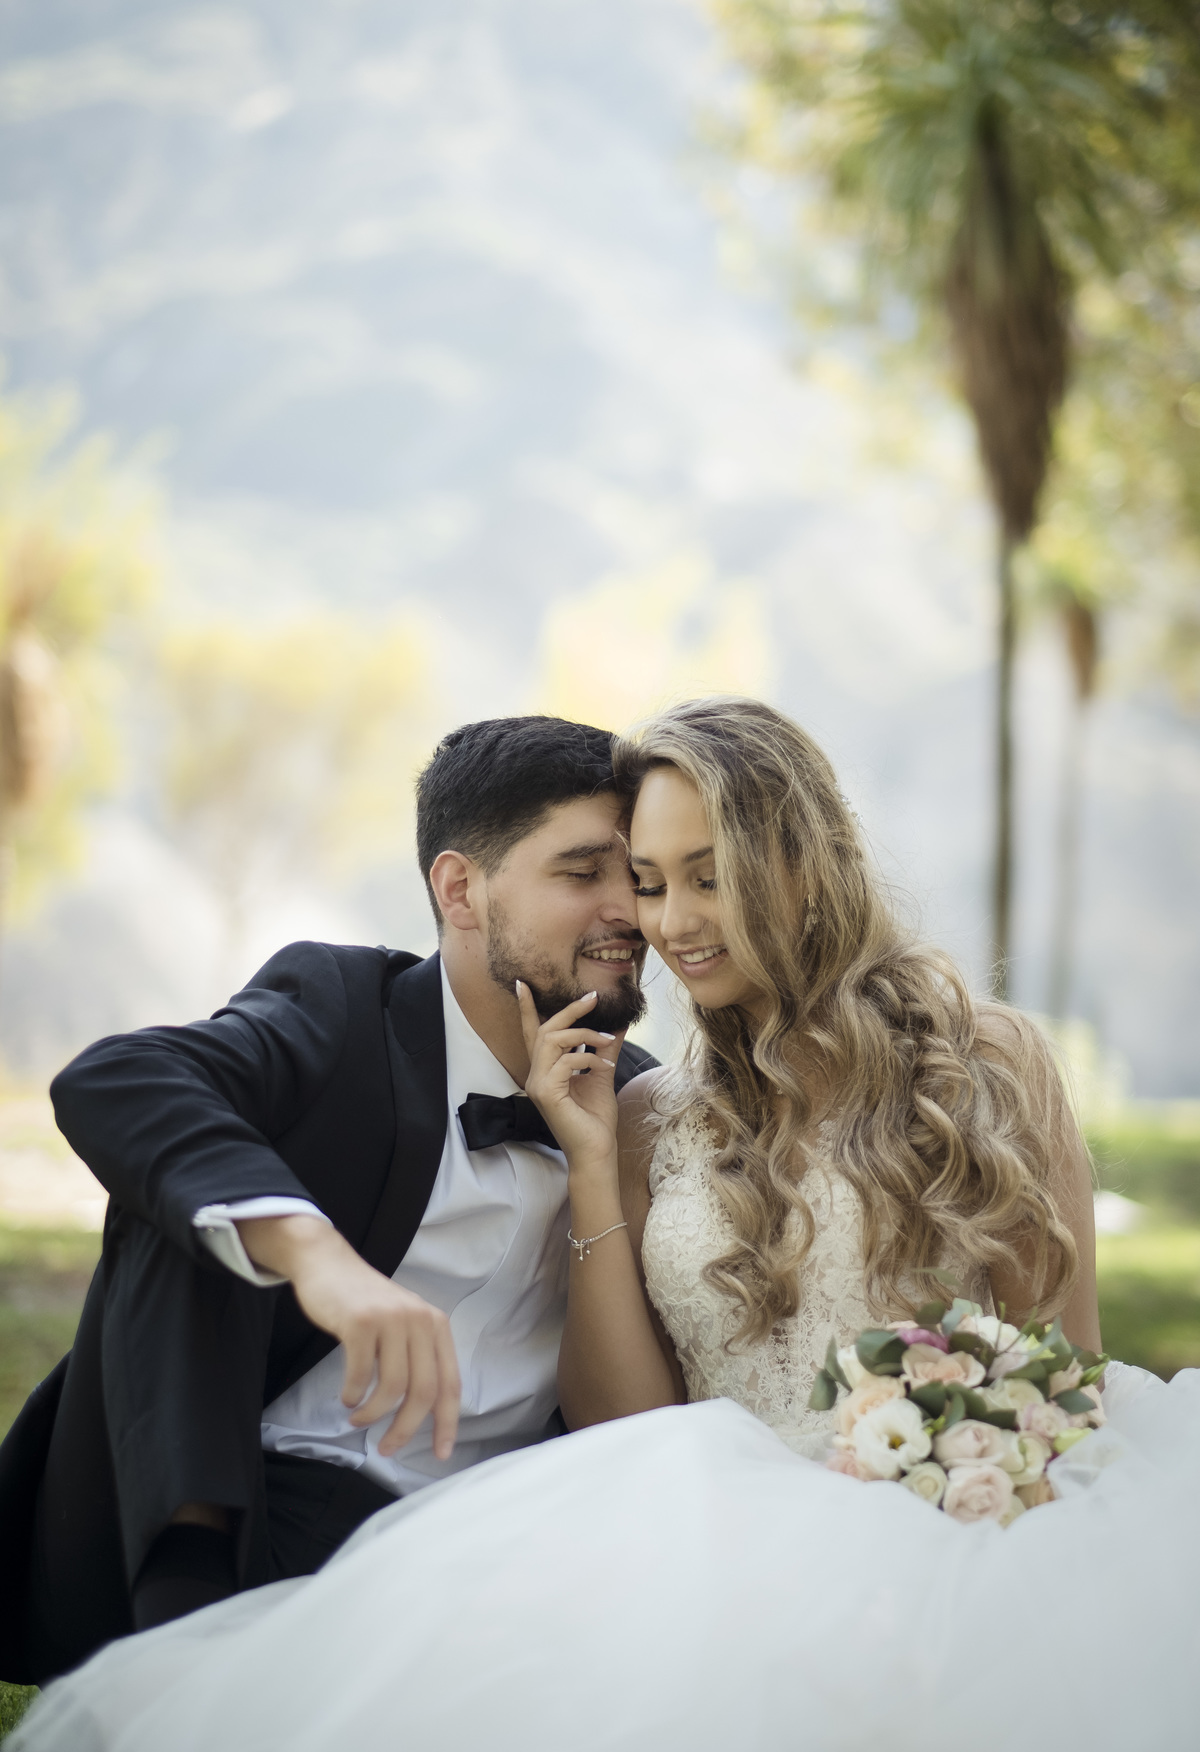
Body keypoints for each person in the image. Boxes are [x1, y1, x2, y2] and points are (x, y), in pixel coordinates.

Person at [10, 699, 1198, 1752]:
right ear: (461, 890)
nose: (659, 918)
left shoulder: (988, 1062)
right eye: (631, 873)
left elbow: (1068, 1357)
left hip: (955, 1515)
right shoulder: (624, 1106)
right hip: (608, 1532)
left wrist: (983, 1477)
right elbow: (631, 1431)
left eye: (701, 873)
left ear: (802, 862)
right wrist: (568, 1170)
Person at [0, 714, 657, 1687]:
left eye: (636, 876)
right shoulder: (345, 1006)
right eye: (581, 872)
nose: (628, 912)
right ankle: (186, 1639)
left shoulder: (645, 1102)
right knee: (195, 1200)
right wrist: (319, 1259)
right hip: (257, 1502)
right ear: (461, 888)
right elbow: (118, 1078)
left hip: (493, 1540)